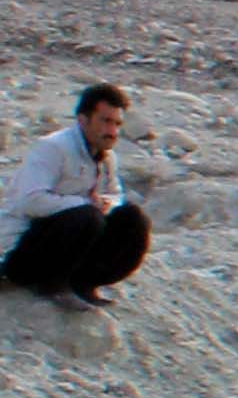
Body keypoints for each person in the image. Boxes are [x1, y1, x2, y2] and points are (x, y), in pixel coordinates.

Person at [4, 81, 149, 301]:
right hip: (20, 250)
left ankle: (84, 283)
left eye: (117, 124)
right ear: (83, 119)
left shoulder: (106, 156)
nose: (112, 132)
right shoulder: (53, 148)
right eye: (105, 121)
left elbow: (114, 194)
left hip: (72, 239)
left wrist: (106, 204)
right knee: (87, 217)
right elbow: (31, 201)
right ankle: (52, 285)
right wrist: (84, 204)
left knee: (133, 219)